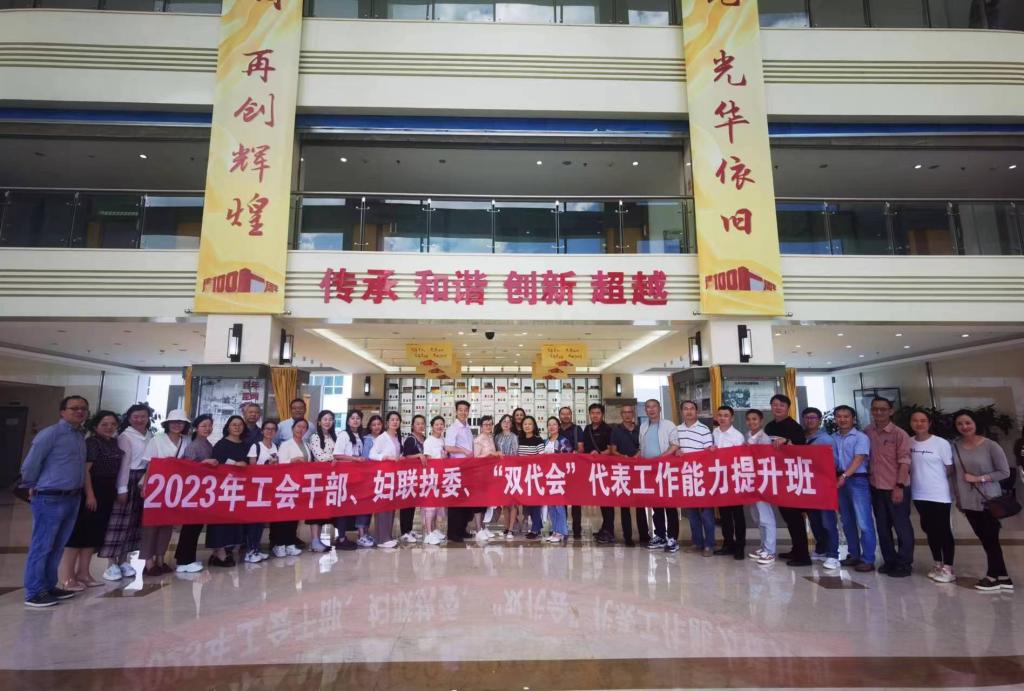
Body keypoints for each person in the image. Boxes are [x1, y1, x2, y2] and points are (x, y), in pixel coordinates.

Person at [21, 395, 89, 608]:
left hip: (72, 497)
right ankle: (34, 592)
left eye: (83, 408)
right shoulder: (50, 434)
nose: (79, 411)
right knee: (42, 545)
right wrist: (32, 485)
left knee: (58, 546)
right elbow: (30, 464)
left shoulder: (79, 436)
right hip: (50, 497)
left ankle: (49, 585)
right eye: (74, 408)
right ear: (62, 412)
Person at [58, 410, 121, 591]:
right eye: (104, 424)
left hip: (107, 490)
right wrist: (90, 494)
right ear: (95, 426)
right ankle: (67, 577)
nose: (109, 427)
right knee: (78, 534)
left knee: (93, 535)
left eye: (113, 424)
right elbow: (85, 471)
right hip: (92, 489)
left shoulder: (113, 442)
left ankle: (83, 573)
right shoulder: (92, 443)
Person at [951, 410, 1013, 591]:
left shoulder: (990, 445)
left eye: (968, 422)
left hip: (989, 500)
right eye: (960, 424)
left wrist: (980, 478)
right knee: (985, 539)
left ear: (975, 423)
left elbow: (1004, 472)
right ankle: (1004, 577)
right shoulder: (955, 446)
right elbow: (955, 475)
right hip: (968, 502)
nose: (964, 427)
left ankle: (992, 577)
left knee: (991, 539)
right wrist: (958, 498)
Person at [100, 403, 153, 581]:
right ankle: (111, 564)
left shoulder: (150, 435)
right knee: (118, 522)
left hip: (143, 479)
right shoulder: (125, 436)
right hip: (128, 478)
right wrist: (122, 488)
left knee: (133, 523)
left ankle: (124, 560)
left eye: (143, 416)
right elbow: (124, 465)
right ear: (129, 419)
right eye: (135, 417)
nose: (139, 420)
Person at [865, 396, 914, 578]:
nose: (879, 412)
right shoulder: (867, 431)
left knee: (901, 527)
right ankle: (889, 560)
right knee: (882, 527)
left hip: (896, 487)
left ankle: (904, 563)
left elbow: (905, 461)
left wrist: (899, 486)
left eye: (883, 409)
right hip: (876, 487)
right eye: (875, 409)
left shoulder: (899, 434)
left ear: (890, 411)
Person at [139, 408, 191, 577]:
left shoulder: (186, 441)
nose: (177, 425)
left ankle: (161, 558)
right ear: (167, 424)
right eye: (173, 422)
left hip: (175, 487)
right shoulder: (157, 440)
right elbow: (150, 464)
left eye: (180, 422)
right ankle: (148, 562)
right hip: (156, 485)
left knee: (167, 524)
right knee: (151, 524)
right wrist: (146, 485)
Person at [764, 394, 811, 567]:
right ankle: (796, 549)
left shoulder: (795, 427)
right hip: (777, 477)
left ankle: (803, 555)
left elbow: (802, 451)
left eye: (781, 405)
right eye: (774, 405)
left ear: (788, 408)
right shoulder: (769, 426)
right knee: (787, 517)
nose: (777, 408)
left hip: (792, 478)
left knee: (795, 517)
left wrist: (788, 441)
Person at [909, 410, 956, 583]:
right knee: (929, 529)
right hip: (919, 493)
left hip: (938, 494)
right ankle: (937, 563)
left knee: (943, 529)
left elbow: (949, 468)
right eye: (915, 420)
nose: (919, 423)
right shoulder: (908, 442)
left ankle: (948, 567)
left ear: (929, 423)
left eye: (923, 420)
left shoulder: (940, 443)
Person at [832, 405, 877, 573]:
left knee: (864, 521)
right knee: (847, 520)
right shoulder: (833, 438)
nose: (842, 419)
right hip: (839, 481)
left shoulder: (861, 437)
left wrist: (844, 476)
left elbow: (859, 459)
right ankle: (854, 554)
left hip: (857, 480)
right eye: (839, 416)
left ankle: (868, 559)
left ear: (853, 419)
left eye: (846, 416)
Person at [174, 414, 218, 573]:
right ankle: (184, 561)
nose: (207, 428)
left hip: (202, 491)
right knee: (191, 526)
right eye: (203, 426)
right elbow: (188, 468)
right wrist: (204, 463)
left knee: (195, 526)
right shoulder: (193, 446)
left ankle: (186, 557)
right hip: (193, 491)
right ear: (196, 428)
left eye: (209, 426)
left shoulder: (207, 444)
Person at [205, 416, 249, 567]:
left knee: (233, 522)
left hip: (239, 489)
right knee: (220, 522)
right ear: (228, 427)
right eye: (233, 424)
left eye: (240, 424)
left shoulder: (245, 445)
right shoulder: (221, 444)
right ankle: (220, 552)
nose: (237, 427)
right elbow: (216, 464)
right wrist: (233, 465)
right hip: (222, 488)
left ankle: (222, 551)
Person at [802, 407, 839, 571]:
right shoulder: (801, 438)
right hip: (808, 485)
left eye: (813, 418)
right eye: (807, 418)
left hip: (823, 485)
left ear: (819, 420)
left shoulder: (826, 439)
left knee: (827, 521)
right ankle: (821, 548)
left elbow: (834, 463)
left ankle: (833, 554)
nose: (809, 421)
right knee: (814, 520)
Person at [640, 399, 679, 552]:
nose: (651, 410)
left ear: (660, 408)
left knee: (669, 504)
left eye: (654, 407)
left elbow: (675, 444)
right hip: (650, 471)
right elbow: (642, 448)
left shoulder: (669, 425)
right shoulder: (643, 426)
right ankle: (660, 535)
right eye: (648, 407)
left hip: (666, 469)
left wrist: (661, 458)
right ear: (645, 410)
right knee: (656, 504)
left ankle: (672, 538)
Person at [677, 400, 714, 557]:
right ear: (682, 412)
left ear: (696, 411)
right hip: (686, 477)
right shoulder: (677, 430)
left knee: (706, 514)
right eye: (685, 409)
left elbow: (709, 452)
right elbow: (674, 448)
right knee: (692, 514)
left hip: (702, 476)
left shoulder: (704, 430)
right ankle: (697, 542)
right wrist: (676, 451)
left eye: (692, 409)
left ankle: (709, 545)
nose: (689, 411)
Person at [609, 403, 649, 547]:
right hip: (623, 471)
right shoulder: (616, 430)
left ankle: (644, 535)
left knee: (640, 504)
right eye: (624, 412)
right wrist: (623, 457)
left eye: (630, 412)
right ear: (621, 415)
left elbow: (644, 446)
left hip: (639, 470)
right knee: (624, 505)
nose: (627, 415)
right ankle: (628, 537)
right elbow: (613, 450)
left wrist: (637, 455)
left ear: (633, 414)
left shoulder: (640, 429)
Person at [711, 406, 746, 560]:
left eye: (726, 415)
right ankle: (728, 544)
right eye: (720, 415)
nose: (722, 418)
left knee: (737, 515)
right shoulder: (714, 432)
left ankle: (740, 547)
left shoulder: (737, 436)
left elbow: (740, 458)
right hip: (720, 479)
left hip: (734, 479)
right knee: (724, 515)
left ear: (732, 418)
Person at [272, 418, 309, 558]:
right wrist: (292, 460)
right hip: (286, 484)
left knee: (294, 515)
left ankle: (290, 543)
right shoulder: (285, 444)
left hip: (300, 484)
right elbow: (280, 464)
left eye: (304, 427)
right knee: (283, 516)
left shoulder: (306, 445)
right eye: (298, 426)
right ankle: (279, 544)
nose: (301, 429)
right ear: (293, 428)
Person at [243, 420, 279, 563]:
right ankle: (250, 551)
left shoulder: (275, 446)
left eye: (273, 429)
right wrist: (266, 464)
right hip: (256, 488)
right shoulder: (256, 446)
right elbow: (252, 467)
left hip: (268, 488)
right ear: (262, 431)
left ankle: (256, 548)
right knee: (254, 520)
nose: (270, 431)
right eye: (267, 429)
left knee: (261, 521)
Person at [746, 409, 778, 565]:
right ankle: (764, 546)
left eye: (755, 419)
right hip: (751, 481)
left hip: (762, 482)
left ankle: (770, 551)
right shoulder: (748, 436)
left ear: (761, 421)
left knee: (766, 517)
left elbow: (764, 460)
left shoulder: (764, 438)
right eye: (749, 419)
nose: (752, 422)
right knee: (757, 517)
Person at [368, 411, 403, 549]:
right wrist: (385, 457)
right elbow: (372, 454)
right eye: (392, 419)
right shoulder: (382, 437)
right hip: (383, 475)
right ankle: (382, 538)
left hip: (393, 476)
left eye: (397, 420)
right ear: (387, 422)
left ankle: (388, 536)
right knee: (383, 506)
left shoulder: (397, 437)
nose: (395, 422)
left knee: (391, 506)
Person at [581, 404, 615, 544]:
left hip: (605, 469)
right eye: (593, 413)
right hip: (592, 469)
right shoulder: (587, 429)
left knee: (608, 500)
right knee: (601, 499)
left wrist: (599, 454)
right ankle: (604, 528)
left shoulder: (608, 429)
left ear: (602, 414)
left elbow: (611, 449)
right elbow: (583, 447)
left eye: (598, 413)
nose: (595, 415)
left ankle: (609, 531)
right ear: (589, 414)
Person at [444, 400, 475, 543]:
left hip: (468, 468)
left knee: (465, 500)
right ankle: (453, 533)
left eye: (465, 410)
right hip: (456, 468)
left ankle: (462, 529)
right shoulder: (453, 428)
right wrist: (463, 451)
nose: (463, 412)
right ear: (456, 411)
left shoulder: (468, 428)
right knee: (455, 501)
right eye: (460, 409)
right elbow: (448, 447)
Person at [558, 406, 586, 540]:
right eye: (563, 414)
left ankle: (577, 530)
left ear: (571, 415)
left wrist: (575, 452)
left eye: (568, 414)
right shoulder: (556, 429)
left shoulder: (577, 429)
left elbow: (581, 448)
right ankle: (562, 528)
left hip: (574, 469)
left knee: (576, 502)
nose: (565, 416)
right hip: (559, 471)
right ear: (559, 416)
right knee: (560, 501)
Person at [472, 415, 501, 541]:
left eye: (490, 424)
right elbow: (476, 457)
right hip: (479, 474)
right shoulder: (479, 439)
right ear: (481, 426)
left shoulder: (490, 438)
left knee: (485, 502)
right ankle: (478, 529)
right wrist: (488, 454)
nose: (488, 426)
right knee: (479, 503)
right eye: (485, 424)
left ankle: (483, 527)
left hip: (489, 474)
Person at [543, 416, 573, 543]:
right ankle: (555, 530)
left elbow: (569, 458)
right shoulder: (546, 441)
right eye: (549, 424)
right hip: (548, 477)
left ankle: (562, 532)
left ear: (558, 426)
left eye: (554, 424)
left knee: (559, 505)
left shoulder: (563, 441)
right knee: (551, 505)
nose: (552, 427)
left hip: (559, 477)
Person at [399, 414, 428, 543]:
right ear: (412, 426)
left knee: (413, 503)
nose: (420, 426)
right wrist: (418, 455)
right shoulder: (410, 439)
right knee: (407, 504)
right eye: (417, 423)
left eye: (422, 423)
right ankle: (404, 532)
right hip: (409, 476)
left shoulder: (425, 439)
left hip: (420, 476)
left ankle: (409, 530)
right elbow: (406, 456)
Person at [517, 415, 547, 540]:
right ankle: (537, 526)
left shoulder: (538, 440)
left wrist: (529, 461)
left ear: (534, 426)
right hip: (523, 476)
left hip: (535, 476)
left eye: (529, 424)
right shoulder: (519, 439)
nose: (527, 426)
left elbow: (542, 458)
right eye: (525, 424)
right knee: (529, 503)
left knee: (535, 503)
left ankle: (535, 529)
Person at [422, 416, 448, 545]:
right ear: (432, 426)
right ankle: (428, 533)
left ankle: (434, 529)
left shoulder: (443, 440)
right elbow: (427, 459)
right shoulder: (429, 441)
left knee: (438, 505)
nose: (439, 426)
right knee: (430, 505)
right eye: (437, 424)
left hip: (441, 476)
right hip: (431, 476)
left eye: (441, 424)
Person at [494, 414, 520, 539]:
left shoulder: (514, 437)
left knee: (513, 502)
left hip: (512, 471)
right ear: (500, 423)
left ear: (511, 424)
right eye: (504, 421)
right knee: (504, 502)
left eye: (509, 422)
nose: (506, 423)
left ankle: (511, 529)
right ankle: (506, 526)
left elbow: (515, 454)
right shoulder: (497, 437)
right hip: (500, 472)